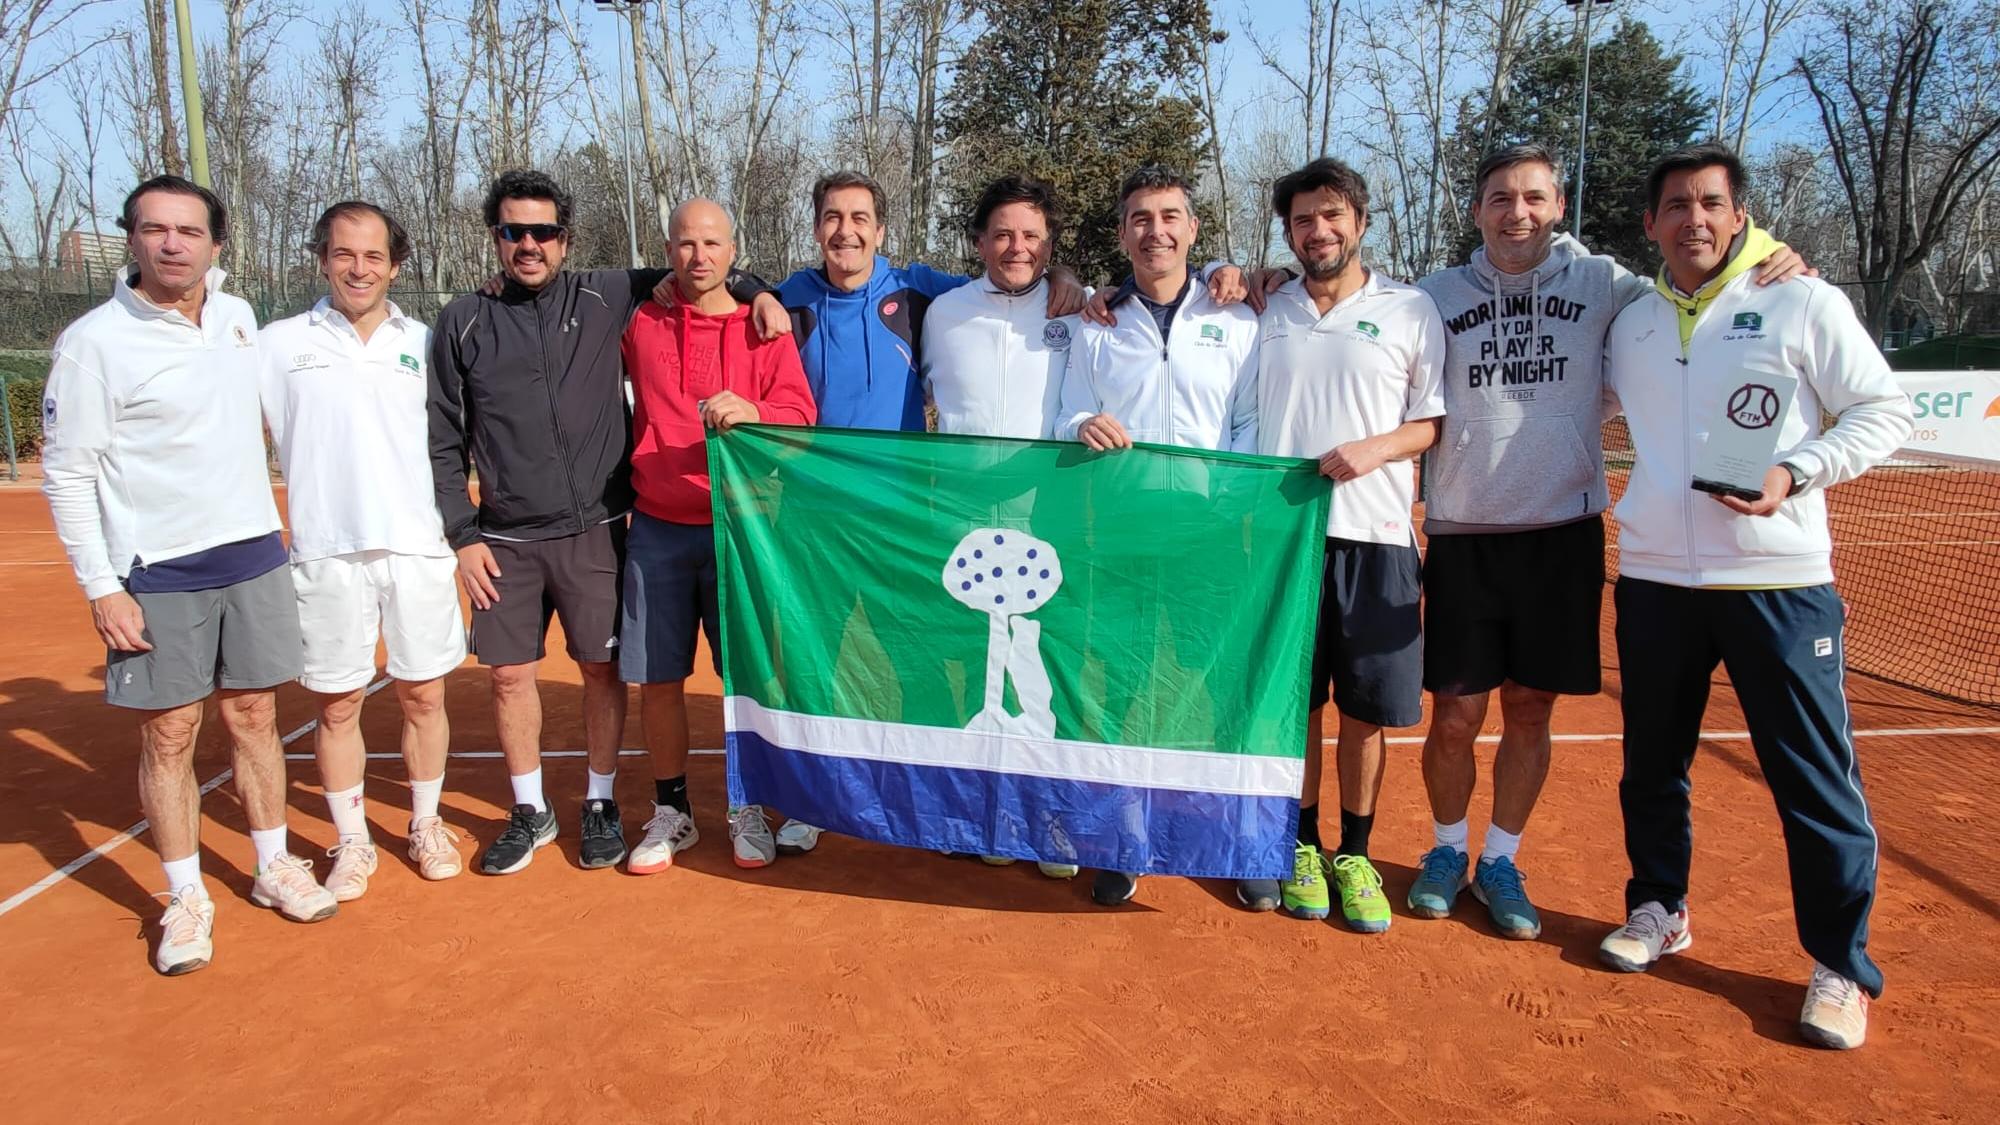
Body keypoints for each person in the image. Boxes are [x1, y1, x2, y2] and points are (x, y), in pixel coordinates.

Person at [1406, 144, 1807, 940]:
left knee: (1530, 707)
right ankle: (1446, 850)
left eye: (1532, 197)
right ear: (1476, 209)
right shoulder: (1432, 295)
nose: (1515, 212)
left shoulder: (1606, 285)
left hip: (1563, 536)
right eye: (1498, 198)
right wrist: (1261, 280)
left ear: (1558, 205)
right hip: (1464, 534)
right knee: (1453, 713)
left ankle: (1501, 860)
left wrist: (1770, 252)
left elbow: (1702, 284)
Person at [1599, 142, 1910, 1051]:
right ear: (1650, 224)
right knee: (1652, 763)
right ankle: (1659, 906)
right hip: (1656, 577)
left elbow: (1882, 410)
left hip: (1778, 582)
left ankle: (1840, 965)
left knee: (1812, 781)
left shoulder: (1803, 298)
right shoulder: (1634, 321)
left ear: (1740, 216)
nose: (1693, 220)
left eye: (1710, 204)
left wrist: (1795, 470)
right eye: (1675, 206)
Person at [430, 171, 781, 876]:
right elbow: (442, 436)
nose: (529, 245)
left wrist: (761, 290)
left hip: (636, 527)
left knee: (642, 672)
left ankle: (665, 804)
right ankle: (569, 809)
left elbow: (711, 278)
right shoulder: (473, 319)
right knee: (542, 678)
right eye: (513, 232)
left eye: (544, 232)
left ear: (566, 238)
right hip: (532, 535)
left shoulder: (618, 296)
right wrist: (461, 533)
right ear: (496, 237)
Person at [42, 175, 337, 975]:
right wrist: (103, 585)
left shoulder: (239, 320)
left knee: (254, 716)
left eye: (188, 230)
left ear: (216, 243)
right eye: (154, 229)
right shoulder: (93, 342)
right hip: (157, 570)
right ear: (131, 238)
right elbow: (67, 474)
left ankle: (273, 862)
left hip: (252, 553)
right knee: (171, 732)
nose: (172, 243)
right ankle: (184, 896)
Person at [1054, 165, 1260, 907]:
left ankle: (1236, 839)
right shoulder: (1095, 323)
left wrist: (1228, 506)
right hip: (1123, 535)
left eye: (1170, 216)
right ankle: (1126, 836)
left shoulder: (1239, 318)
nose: (1156, 231)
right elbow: (1063, 412)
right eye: (1140, 218)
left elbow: (1249, 423)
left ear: (1193, 230)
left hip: (1212, 540)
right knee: (1128, 687)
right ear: (1122, 234)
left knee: (1219, 688)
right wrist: (1083, 424)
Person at [1250, 159, 1443, 932]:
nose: (1317, 231)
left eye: (1331, 216)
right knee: (1296, 705)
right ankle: (1299, 845)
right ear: (1288, 232)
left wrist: (1377, 448)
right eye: (1302, 220)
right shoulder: (1266, 307)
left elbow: (1433, 420)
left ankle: (1354, 853)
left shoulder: (1411, 308)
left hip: (1377, 540)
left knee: (1365, 712)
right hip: (1283, 542)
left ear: (1360, 221)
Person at [259, 201, 468, 898]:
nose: (359, 268)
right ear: (323, 258)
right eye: (345, 254)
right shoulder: (277, 345)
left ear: (395, 265)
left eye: (373, 256)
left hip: (417, 546)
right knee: (337, 705)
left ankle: (425, 822)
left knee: (423, 695)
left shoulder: (428, 341)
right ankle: (351, 841)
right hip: (325, 552)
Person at [619, 199, 817, 873]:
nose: (698, 256)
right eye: (684, 244)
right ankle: (672, 810)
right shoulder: (639, 320)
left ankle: (748, 806)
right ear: (668, 250)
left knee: (745, 678)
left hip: (743, 529)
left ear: (734, 251)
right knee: (659, 678)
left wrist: (754, 409)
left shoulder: (765, 329)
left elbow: (800, 418)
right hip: (656, 527)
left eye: (711, 243)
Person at [918, 173, 1084, 878]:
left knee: (1042, 669)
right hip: (959, 519)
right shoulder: (940, 310)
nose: (1017, 247)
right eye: (1004, 234)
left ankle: (1046, 812)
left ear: (1049, 246)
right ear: (979, 241)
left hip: (1049, 519)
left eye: (1032, 237)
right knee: (968, 670)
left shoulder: (1080, 309)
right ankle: (975, 806)